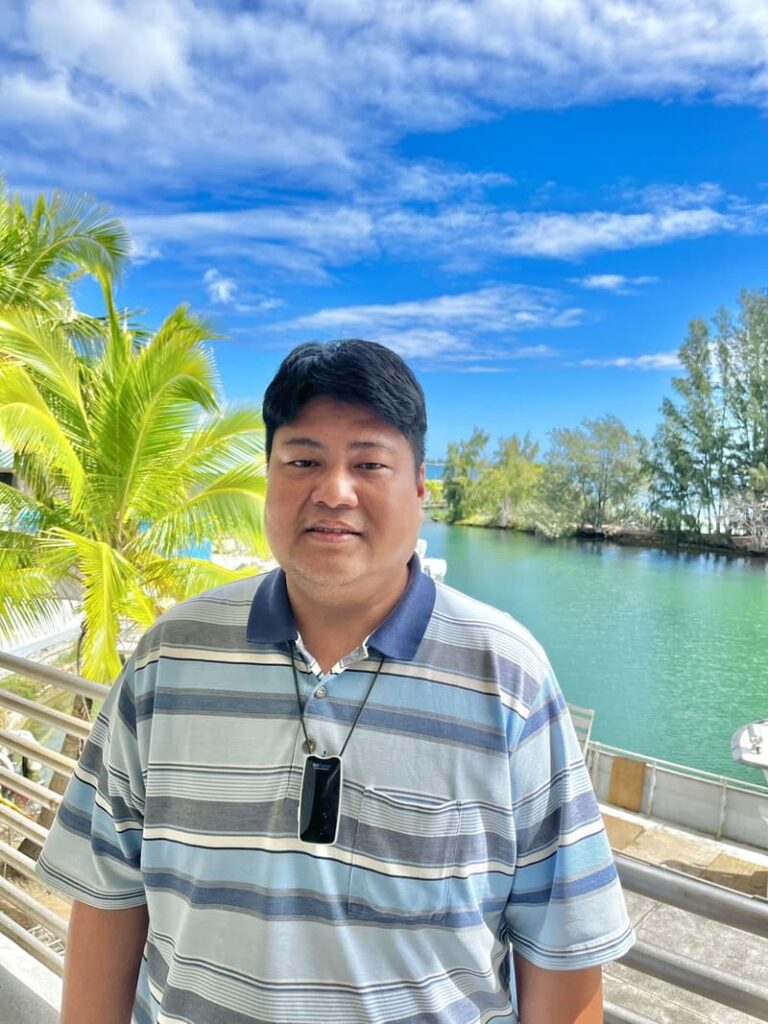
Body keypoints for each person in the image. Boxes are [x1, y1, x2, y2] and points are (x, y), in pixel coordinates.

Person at [37, 338, 634, 1024]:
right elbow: (109, 898)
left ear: (418, 488)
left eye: (369, 462)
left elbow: (562, 947)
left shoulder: (508, 678)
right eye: (303, 460)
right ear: (268, 476)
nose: (334, 490)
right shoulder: (167, 661)